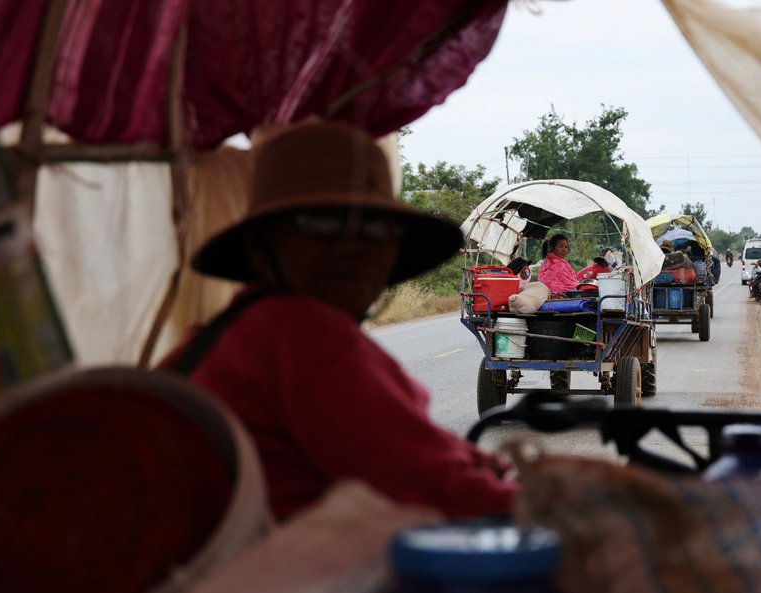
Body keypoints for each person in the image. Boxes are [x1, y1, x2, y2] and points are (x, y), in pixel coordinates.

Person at [165, 120, 517, 522]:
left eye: (376, 228)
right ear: (263, 247)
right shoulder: (304, 333)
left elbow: (410, 452)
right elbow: (439, 490)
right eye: (323, 223)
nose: (355, 247)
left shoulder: (234, 328)